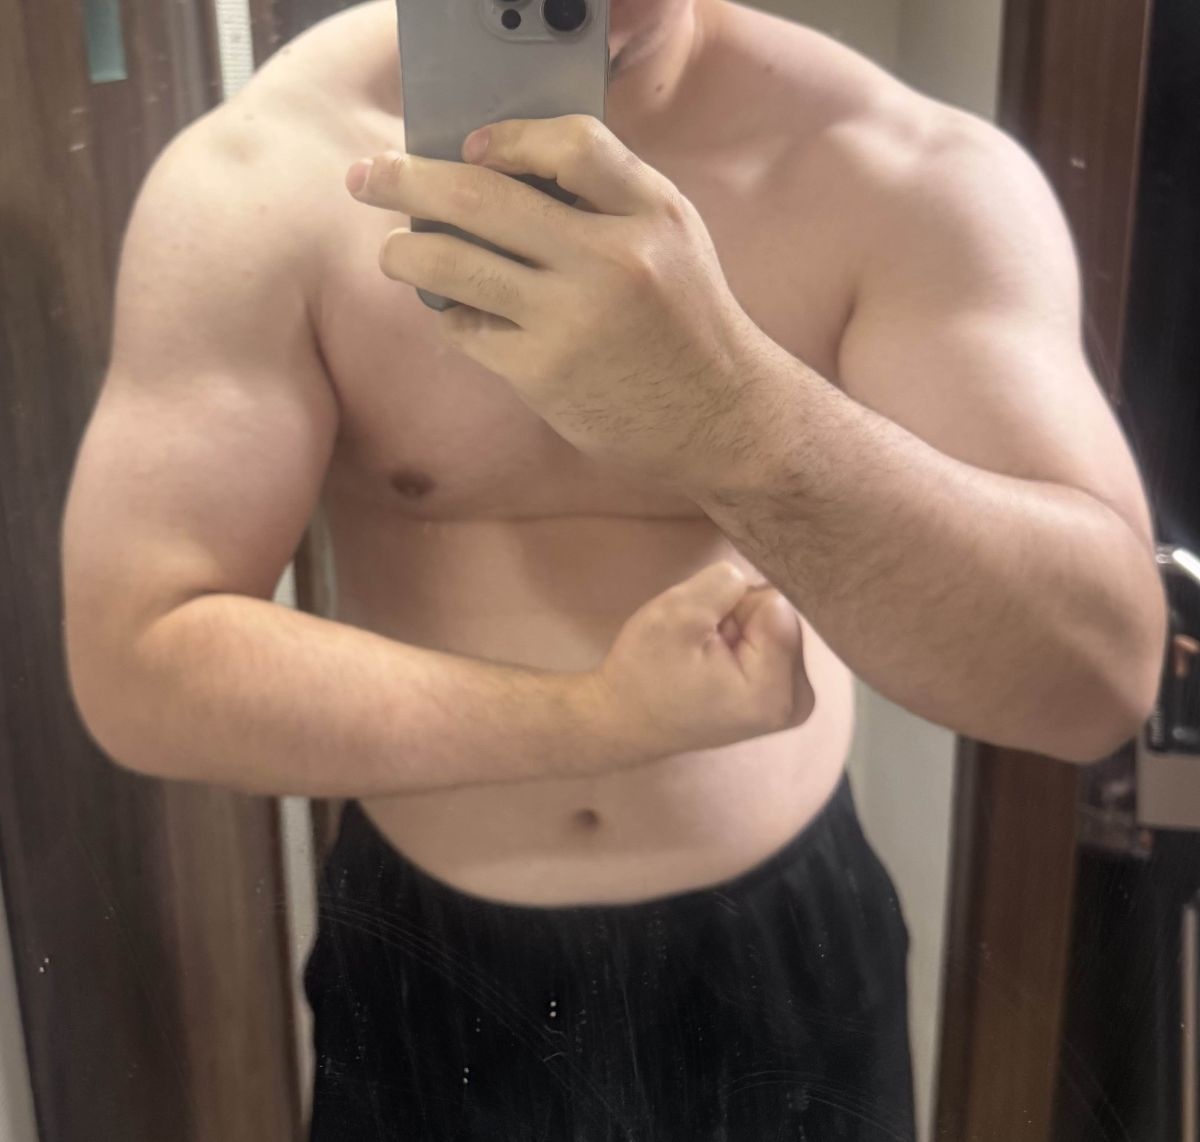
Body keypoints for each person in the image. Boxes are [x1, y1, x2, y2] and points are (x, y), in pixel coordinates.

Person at [61, 0, 1166, 1137]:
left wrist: (731, 411)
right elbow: (138, 660)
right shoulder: (264, 175)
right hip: (426, 962)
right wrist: (600, 716)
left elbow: (1100, 677)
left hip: (779, 954)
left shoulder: (889, 170)